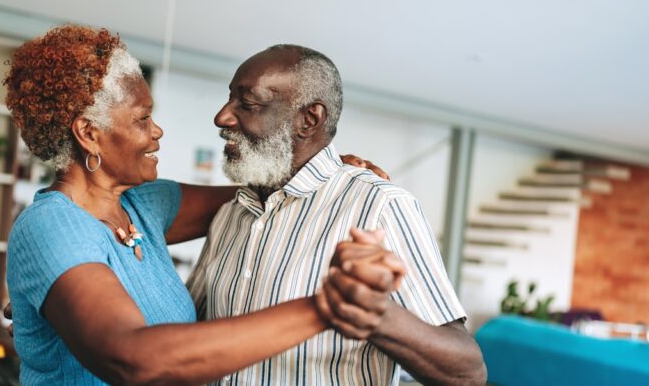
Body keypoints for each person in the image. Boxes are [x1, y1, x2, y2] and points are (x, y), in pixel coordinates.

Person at [3, 25, 401, 385]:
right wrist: (325, 308)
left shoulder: (143, 206)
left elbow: (267, 193)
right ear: (89, 134)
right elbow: (133, 359)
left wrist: (326, 170)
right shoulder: (49, 226)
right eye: (143, 118)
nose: (157, 131)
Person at [186, 44, 487, 385]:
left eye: (249, 103)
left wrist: (379, 317)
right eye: (230, 99)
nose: (222, 117)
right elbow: (189, 331)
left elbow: (468, 373)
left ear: (309, 119)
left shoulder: (379, 206)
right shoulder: (232, 213)